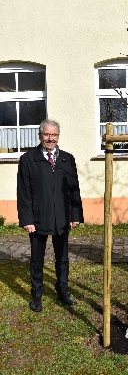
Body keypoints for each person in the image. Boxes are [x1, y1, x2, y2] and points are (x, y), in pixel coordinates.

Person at [17, 119, 84, 312]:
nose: (50, 138)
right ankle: (37, 294)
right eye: (47, 134)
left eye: (54, 135)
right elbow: (23, 192)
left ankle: (62, 290)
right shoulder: (28, 159)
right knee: (37, 259)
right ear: (40, 136)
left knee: (62, 258)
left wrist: (75, 214)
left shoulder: (67, 159)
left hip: (62, 217)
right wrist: (27, 219)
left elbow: (74, 190)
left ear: (58, 137)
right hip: (38, 219)